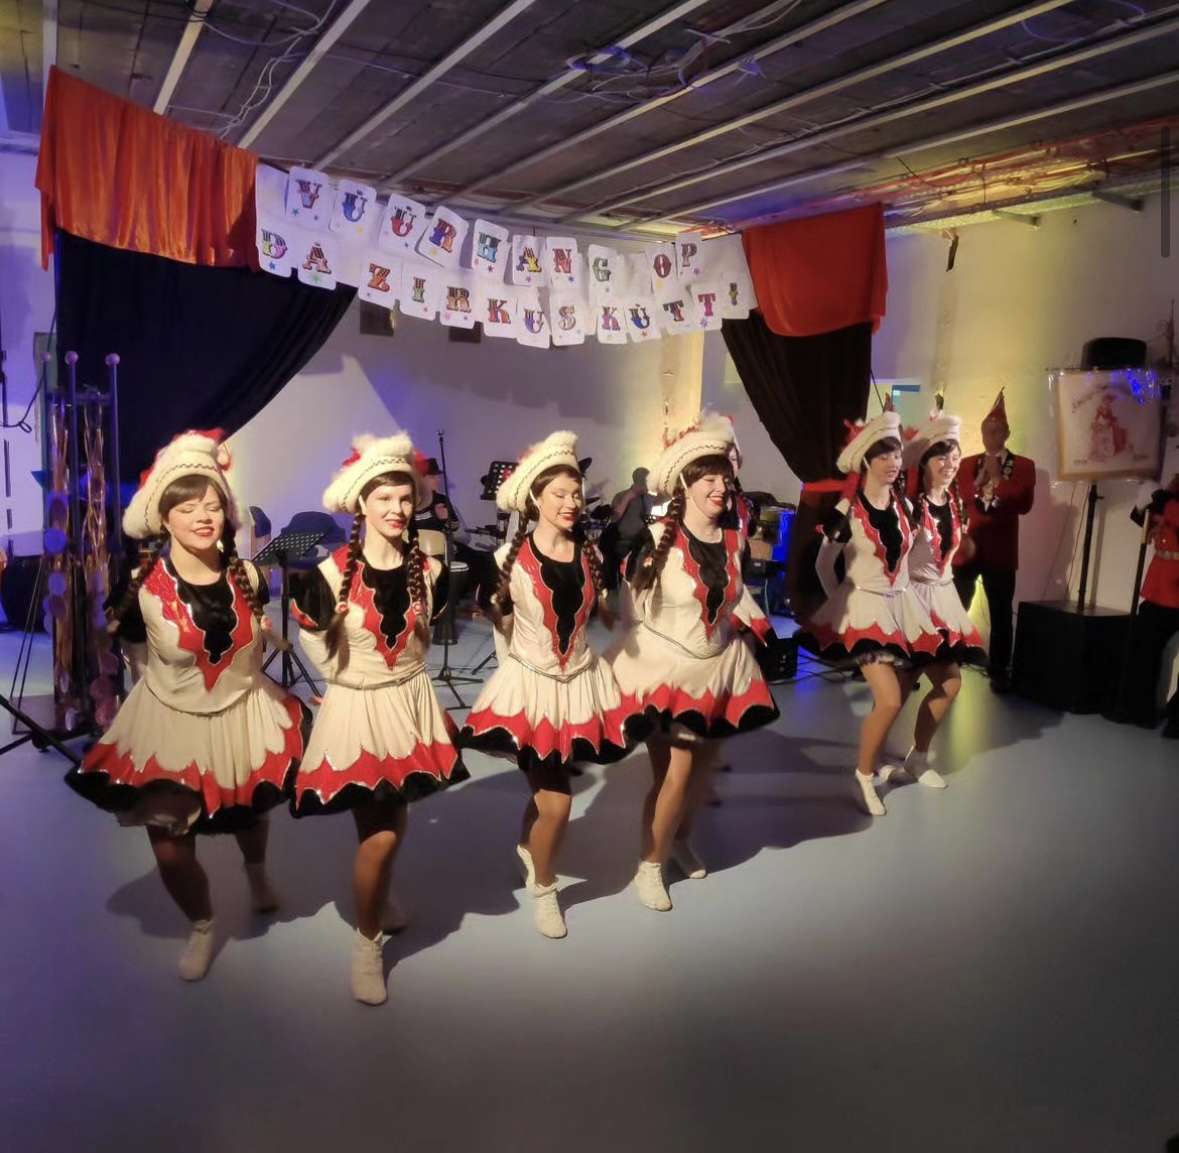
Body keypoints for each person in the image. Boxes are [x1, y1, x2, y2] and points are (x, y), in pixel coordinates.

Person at [65, 431, 304, 981]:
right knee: (170, 844)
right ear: (163, 518)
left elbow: (254, 643)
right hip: (169, 720)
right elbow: (129, 654)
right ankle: (201, 923)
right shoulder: (139, 586)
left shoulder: (249, 576)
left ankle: (256, 872)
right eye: (187, 507)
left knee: (251, 807)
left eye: (212, 505)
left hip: (243, 711)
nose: (202, 516)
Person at [290, 431, 469, 1005]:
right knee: (381, 831)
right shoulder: (328, 574)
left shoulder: (431, 570)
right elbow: (310, 638)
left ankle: (378, 894)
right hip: (360, 708)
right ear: (361, 504)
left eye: (405, 498)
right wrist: (341, 684)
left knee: (394, 817)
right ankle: (366, 945)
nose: (397, 508)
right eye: (384, 498)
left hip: (410, 704)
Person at [460, 432, 636, 939]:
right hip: (532, 691)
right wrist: (514, 685)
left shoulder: (591, 554)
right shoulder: (507, 560)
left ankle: (527, 846)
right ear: (536, 498)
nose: (570, 502)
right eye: (559, 493)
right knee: (558, 802)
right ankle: (544, 888)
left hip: (579, 687)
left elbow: (598, 619)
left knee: (551, 787)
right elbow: (503, 631)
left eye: (576, 493)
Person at [608, 412, 779, 912]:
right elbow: (632, 609)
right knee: (677, 772)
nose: (720, 488)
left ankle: (678, 839)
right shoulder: (656, 538)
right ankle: (650, 864)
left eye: (724, 479)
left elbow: (734, 595)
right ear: (685, 483)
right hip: (666, 672)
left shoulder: (735, 539)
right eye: (709, 480)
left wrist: (754, 624)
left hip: (718, 668)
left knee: (700, 771)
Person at [795, 407, 942, 817]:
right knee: (890, 698)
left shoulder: (904, 506)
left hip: (902, 607)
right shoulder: (846, 512)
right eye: (884, 455)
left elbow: (913, 558)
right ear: (866, 460)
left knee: (909, 687)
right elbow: (824, 564)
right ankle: (863, 775)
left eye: (897, 453)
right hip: (864, 611)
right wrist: (842, 605)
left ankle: (879, 758)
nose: (894, 462)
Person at [884, 412, 986, 788]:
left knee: (950, 683)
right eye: (942, 456)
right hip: (913, 602)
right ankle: (871, 757)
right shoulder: (909, 509)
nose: (950, 463)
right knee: (896, 690)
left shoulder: (956, 506)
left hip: (943, 601)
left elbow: (950, 552)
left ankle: (917, 757)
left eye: (955, 456)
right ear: (924, 462)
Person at [953, 390, 1036, 693]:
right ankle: (950, 659)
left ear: (1007, 433)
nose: (991, 435)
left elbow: (1023, 504)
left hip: (1001, 552)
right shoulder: (966, 464)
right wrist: (979, 482)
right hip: (968, 547)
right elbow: (958, 498)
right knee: (956, 606)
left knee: (1001, 613)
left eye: (997, 430)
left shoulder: (1023, 466)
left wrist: (999, 478)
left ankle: (999, 670)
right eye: (987, 430)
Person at [1109, 475, 1179, 734]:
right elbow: (1143, 519)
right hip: (1161, 587)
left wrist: (1160, 497)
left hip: (1173, 587)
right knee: (1143, 650)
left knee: (1144, 649)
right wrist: (1147, 496)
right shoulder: (1168, 501)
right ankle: (1139, 710)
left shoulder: (1169, 503)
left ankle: (1172, 719)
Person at [600, 467, 654, 590]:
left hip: (640, 543)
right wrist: (629, 497)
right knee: (614, 578)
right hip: (621, 542)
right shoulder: (621, 496)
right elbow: (614, 518)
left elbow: (664, 498)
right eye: (645, 484)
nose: (647, 488)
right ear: (638, 482)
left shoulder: (648, 498)